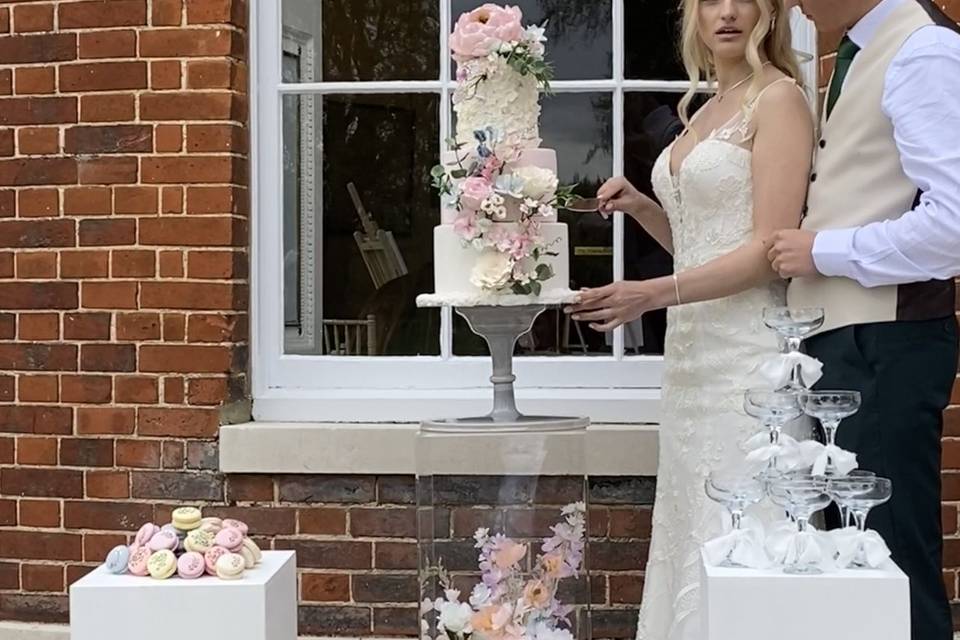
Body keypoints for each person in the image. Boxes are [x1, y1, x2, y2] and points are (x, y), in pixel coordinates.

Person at [565, 0, 814, 637]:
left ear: (769, 12)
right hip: (691, 361)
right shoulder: (703, 107)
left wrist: (649, 295)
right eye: (710, 0)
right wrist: (647, 208)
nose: (727, 13)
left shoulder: (779, 99)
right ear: (692, 16)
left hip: (749, 356)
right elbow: (705, 244)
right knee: (689, 521)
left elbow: (767, 253)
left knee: (746, 522)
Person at [767, 1, 960, 637]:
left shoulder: (923, 49)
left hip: (888, 341)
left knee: (890, 560)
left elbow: (953, 224)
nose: (792, 2)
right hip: (851, 341)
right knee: (853, 564)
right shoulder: (859, 50)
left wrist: (823, 248)